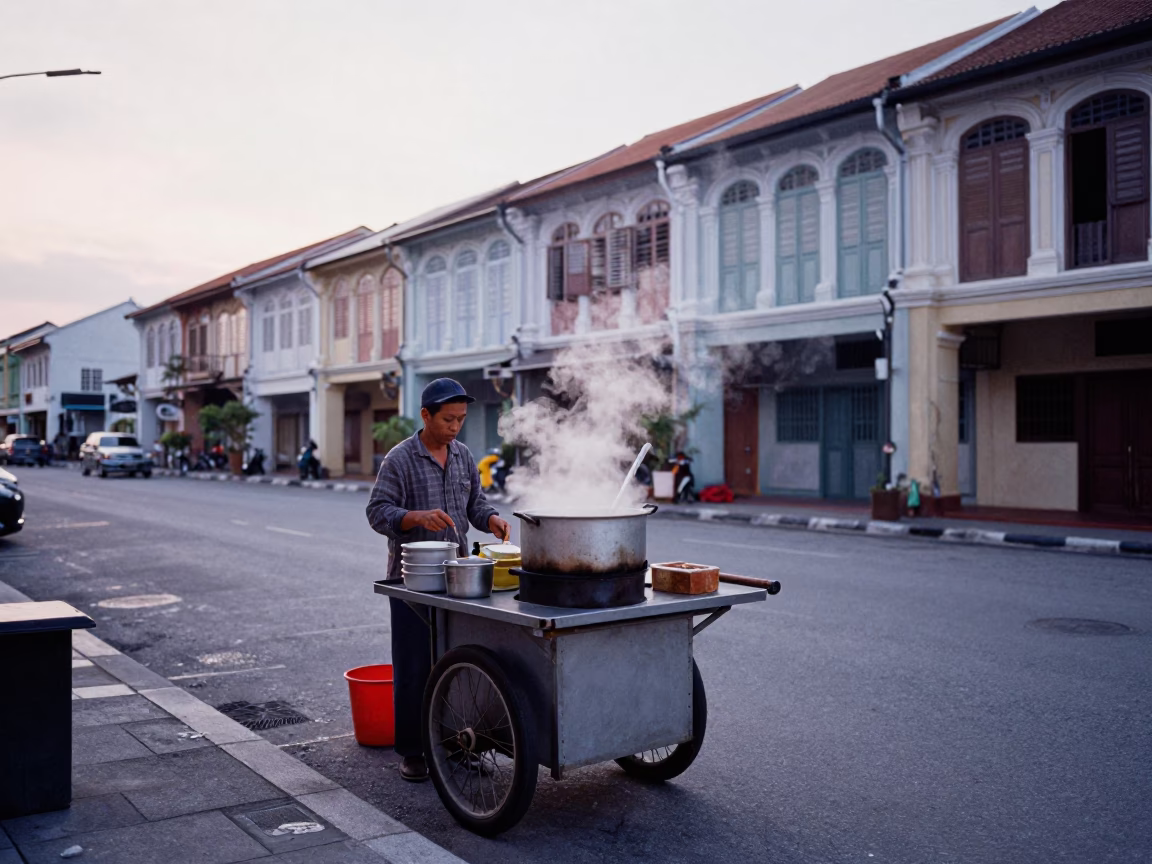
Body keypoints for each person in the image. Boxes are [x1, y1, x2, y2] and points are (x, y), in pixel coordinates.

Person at [365, 378, 510, 782]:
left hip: (457, 580)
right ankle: (413, 751)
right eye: (448, 419)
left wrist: (492, 518)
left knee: (458, 667)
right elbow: (377, 512)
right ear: (426, 415)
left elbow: (475, 506)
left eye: (461, 419)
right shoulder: (399, 459)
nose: (455, 427)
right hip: (411, 582)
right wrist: (416, 517)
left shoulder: (463, 456)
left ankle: (457, 745)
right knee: (415, 668)